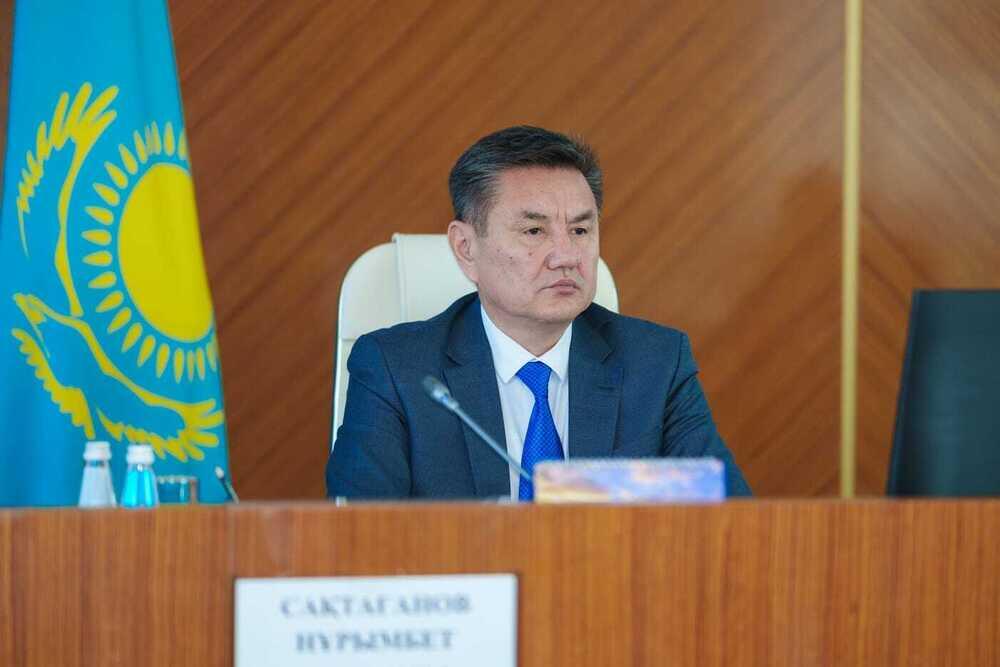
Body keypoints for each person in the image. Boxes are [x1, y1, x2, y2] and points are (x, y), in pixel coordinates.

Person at [327, 126, 751, 500]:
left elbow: (727, 517)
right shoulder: (397, 371)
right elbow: (362, 538)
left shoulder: (656, 364)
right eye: (534, 230)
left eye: (580, 230)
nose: (566, 256)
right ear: (466, 248)